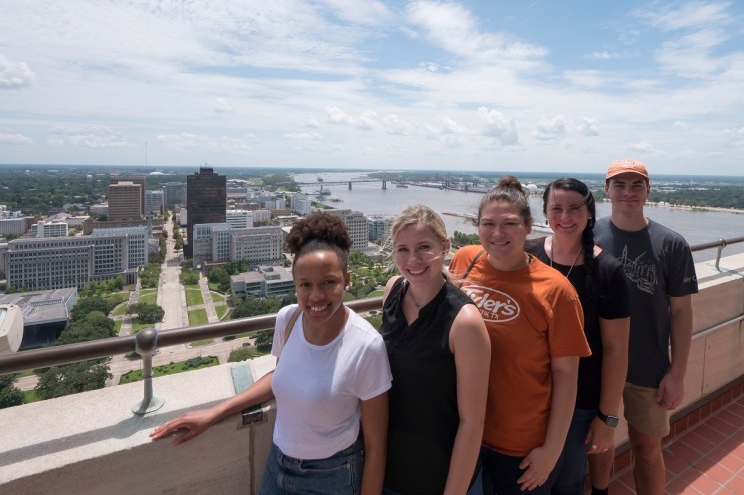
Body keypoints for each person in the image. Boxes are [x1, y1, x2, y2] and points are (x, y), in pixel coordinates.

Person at [150, 212, 392, 495]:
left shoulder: (366, 346)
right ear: (295, 284)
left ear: (346, 280)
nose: (315, 296)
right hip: (277, 464)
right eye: (305, 285)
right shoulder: (288, 320)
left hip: (332, 476)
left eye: (328, 282)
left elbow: (377, 448)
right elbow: (282, 377)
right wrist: (215, 413)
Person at [449, 176, 591, 495]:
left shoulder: (556, 291)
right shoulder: (464, 262)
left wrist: (551, 452)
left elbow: (567, 377)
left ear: (529, 227)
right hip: (463, 433)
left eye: (510, 223)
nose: (498, 234)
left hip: (520, 447)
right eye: (488, 224)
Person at [593, 159, 697, 495]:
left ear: (648, 190)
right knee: (598, 446)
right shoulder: (588, 236)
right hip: (597, 364)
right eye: (619, 185)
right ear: (606, 189)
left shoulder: (672, 244)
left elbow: (681, 313)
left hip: (648, 367)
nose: (628, 192)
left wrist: (677, 373)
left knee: (648, 450)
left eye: (636, 185)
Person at [524, 178, 630, 495]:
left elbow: (615, 350)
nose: (566, 217)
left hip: (580, 404)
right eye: (557, 208)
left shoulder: (608, 271)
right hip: (529, 398)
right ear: (545, 213)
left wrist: (607, 419)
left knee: (566, 484)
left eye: (574, 208)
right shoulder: (528, 256)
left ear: (589, 213)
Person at [380, 204, 491, 495]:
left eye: (423, 247)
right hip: (391, 473)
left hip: (442, 476)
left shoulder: (464, 321)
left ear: (445, 246)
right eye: (403, 249)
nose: (413, 259)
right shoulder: (393, 291)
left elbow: (472, 422)